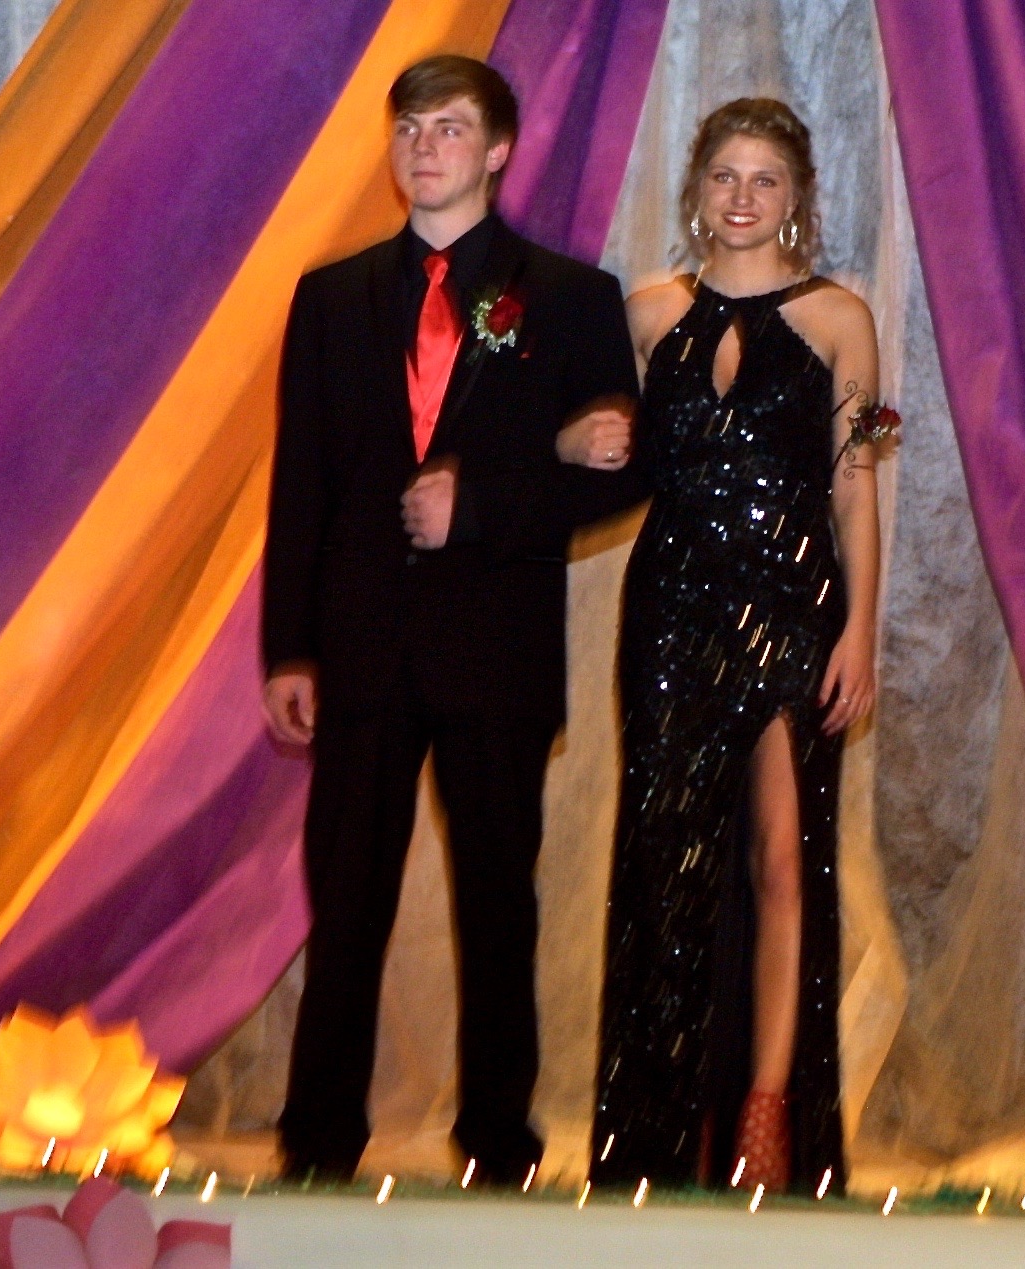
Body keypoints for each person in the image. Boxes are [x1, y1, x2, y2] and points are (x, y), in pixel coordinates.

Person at [261, 54, 645, 1186]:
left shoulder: (571, 296)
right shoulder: (330, 297)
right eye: (408, 128)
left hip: (496, 649)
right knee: (347, 902)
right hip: (360, 647)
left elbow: (623, 470)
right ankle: (317, 1142)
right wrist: (289, 647)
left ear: (499, 149)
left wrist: (477, 508)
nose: (423, 147)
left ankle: (497, 1145)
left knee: (496, 905)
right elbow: (301, 486)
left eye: (448, 127)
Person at [591, 98, 881, 1197]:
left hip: (792, 613)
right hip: (670, 614)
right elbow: (601, 450)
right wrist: (575, 435)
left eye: (764, 179)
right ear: (696, 189)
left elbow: (856, 486)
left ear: (795, 196)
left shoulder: (839, 318)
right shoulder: (646, 312)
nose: (742, 197)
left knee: (779, 858)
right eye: (724, 176)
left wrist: (859, 629)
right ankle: (658, 1127)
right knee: (662, 868)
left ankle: (767, 1109)